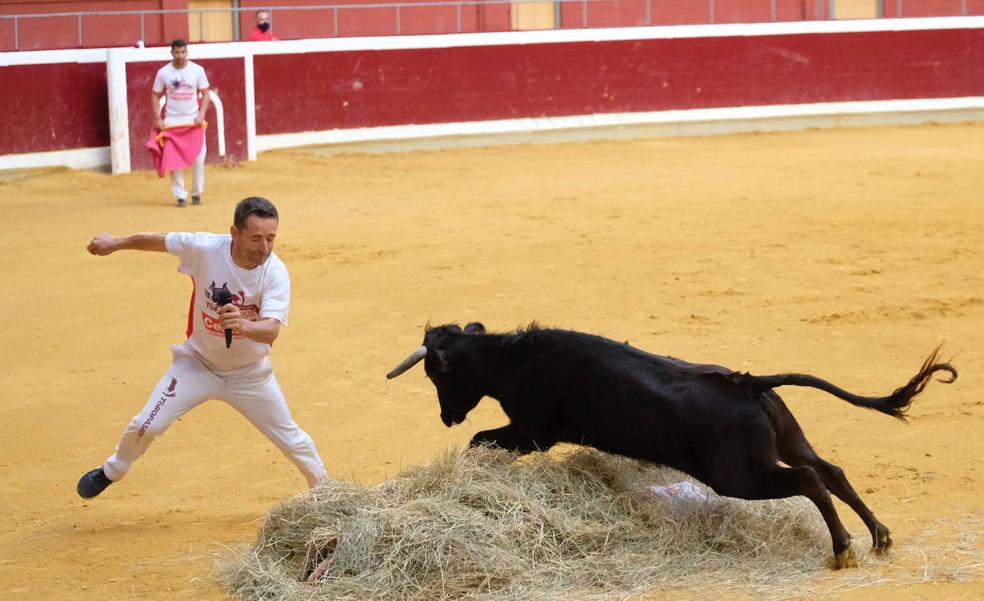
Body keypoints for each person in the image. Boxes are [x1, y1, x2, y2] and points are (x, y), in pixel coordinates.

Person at [77, 197, 329, 499]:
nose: (264, 248)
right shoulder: (206, 249)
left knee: (293, 440)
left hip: (250, 375)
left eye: (271, 238)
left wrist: (244, 325)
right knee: (146, 424)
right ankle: (113, 470)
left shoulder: (275, 272)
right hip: (196, 364)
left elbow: (271, 330)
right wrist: (116, 242)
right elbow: (160, 241)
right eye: (256, 238)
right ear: (234, 233)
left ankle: (328, 494)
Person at [151, 39, 210, 207]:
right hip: (172, 121)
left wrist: (201, 114)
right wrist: (157, 118)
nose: (180, 56)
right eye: (177, 52)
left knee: (199, 157)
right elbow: (155, 94)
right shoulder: (164, 72)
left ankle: (197, 193)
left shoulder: (197, 70)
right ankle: (180, 195)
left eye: (183, 52)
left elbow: (205, 93)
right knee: (174, 159)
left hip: (193, 121)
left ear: (187, 52)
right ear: (172, 53)